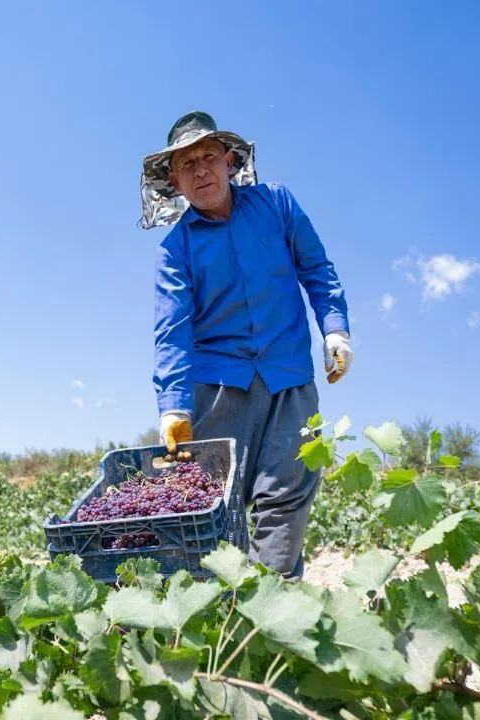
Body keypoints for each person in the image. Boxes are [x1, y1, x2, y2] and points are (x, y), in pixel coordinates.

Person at [138, 110, 352, 580]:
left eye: (208, 157)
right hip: (218, 388)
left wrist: (334, 328)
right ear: (173, 180)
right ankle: (217, 608)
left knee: (285, 496)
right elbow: (171, 328)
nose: (199, 171)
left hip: (289, 379)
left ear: (230, 161)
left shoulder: (276, 204)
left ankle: (270, 606)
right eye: (186, 164)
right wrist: (174, 406)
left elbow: (317, 268)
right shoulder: (176, 250)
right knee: (213, 504)